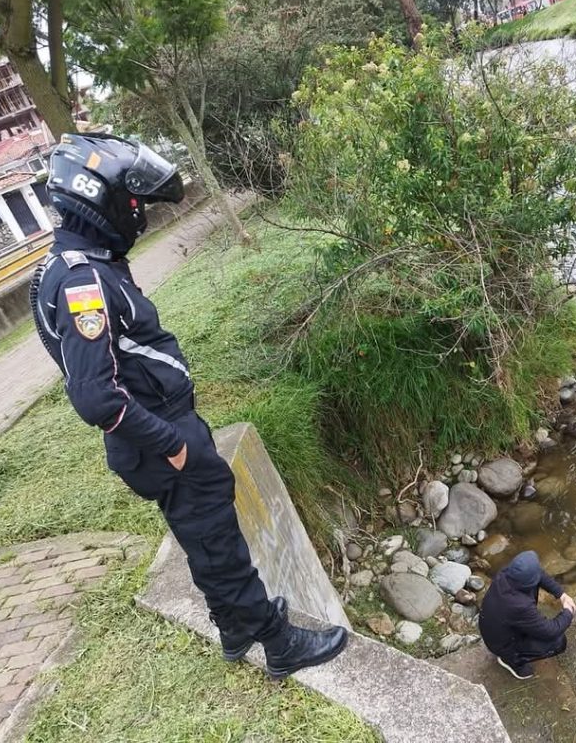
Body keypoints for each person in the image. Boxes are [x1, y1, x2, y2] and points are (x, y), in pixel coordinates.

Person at [29, 132, 347, 679]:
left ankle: (230, 629)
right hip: (158, 436)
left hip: (155, 431)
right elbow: (94, 395)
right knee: (218, 542)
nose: (140, 215)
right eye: (134, 204)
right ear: (97, 199)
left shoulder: (75, 264)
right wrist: (173, 443)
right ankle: (278, 643)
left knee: (202, 533)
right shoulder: (83, 282)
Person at [478, 550, 576, 680]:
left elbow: (538, 574)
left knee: (533, 582)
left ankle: (515, 649)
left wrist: (561, 594)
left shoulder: (507, 573)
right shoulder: (519, 606)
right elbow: (550, 631)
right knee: (559, 642)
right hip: (502, 644)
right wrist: (568, 612)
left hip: (497, 627)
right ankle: (512, 660)